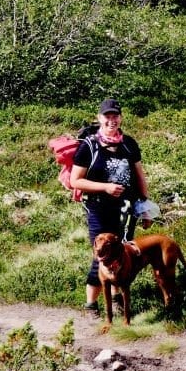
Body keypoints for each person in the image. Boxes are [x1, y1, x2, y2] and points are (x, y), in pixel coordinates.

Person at [70, 98, 153, 313]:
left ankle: (116, 301)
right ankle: (91, 305)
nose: (111, 120)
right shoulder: (89, 146)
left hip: (126, 210)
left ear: (121, 118)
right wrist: (105, 187)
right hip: (99, 209)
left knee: (123, 254)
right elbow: (75, 181)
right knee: (103, 255)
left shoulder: (128, 143)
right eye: (107, 116)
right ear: (99, 118)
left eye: (115, 116)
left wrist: (146, 208)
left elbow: (139, 176)